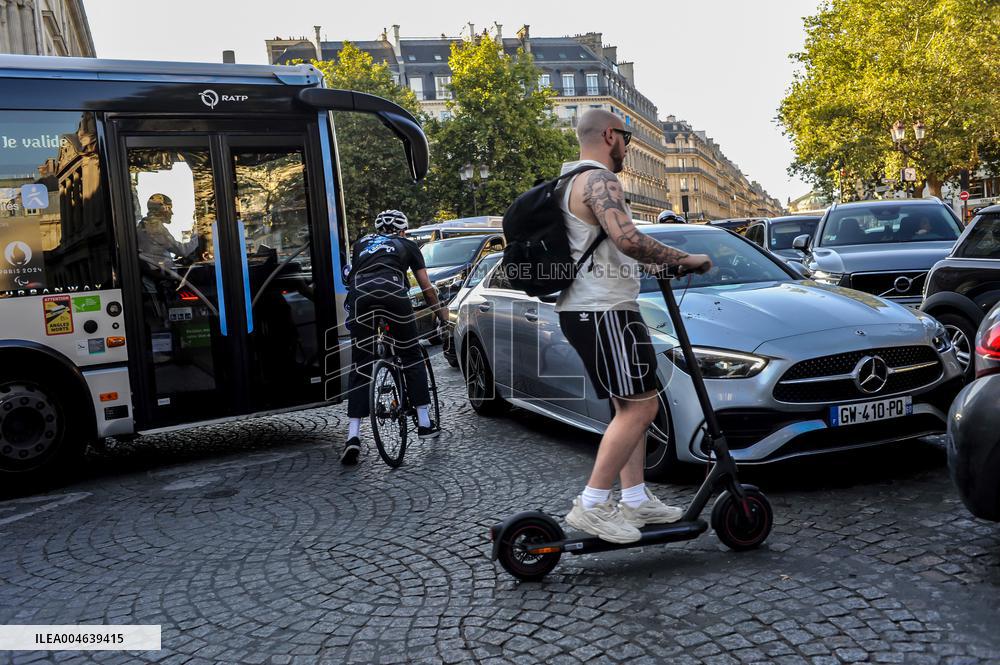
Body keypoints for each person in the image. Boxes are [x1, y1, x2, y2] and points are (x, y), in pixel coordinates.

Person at [557, 109, 712, 543]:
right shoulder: (599, 180)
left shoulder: (567, 181)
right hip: (603, 310)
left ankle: (636, 498)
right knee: (642, 407)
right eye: (625, 137)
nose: (627, 146)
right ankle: (591, 505)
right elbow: (628, 238)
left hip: (597, 307)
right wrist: (685, 259)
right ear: (610, 135)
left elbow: (609, 246)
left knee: (631, 407)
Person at [341, 209, 448, 465]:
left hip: (360, 299)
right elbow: (426, 287)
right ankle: (423, 421)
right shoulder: (407, 245)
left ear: (379, 230)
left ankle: (353, 435)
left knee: (361, 365)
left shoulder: (362, 244)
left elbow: (349, 276)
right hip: (393, 295)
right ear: (403, 230)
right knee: (410, 354)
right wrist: (441, 315)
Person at [136, 193, 200, 261]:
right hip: (161, 270)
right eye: (169, 208)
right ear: (162, 209)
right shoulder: (155, 227)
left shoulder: (143, 224)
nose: (172, 213)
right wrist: (196, 234)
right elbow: (183, 251)